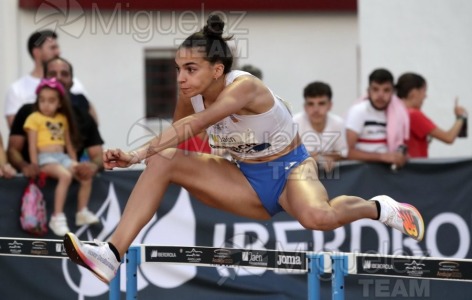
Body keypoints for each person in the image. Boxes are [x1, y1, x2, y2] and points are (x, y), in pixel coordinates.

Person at [63, 15, 424, 284]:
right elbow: (183, 136)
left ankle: (380, 208)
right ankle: (111, 254)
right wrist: (151, 157)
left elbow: (196, 126)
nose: (181, 78)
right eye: (177, 69)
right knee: (165, 158)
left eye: (190, 69)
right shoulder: (189, 96)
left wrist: (135, 153)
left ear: (218, 69)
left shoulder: (244, 89)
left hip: (290, 171)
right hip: (244, 179)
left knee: (320, 219)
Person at [8, 56, 105, 181]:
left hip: (72, 189)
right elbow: (12, 150)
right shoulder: (26, 111)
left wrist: (93, 166)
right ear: (43, 79)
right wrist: (25, 166)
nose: (58, 77)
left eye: (64, 74)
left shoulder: (83, 116)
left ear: (72, 82)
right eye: (52, 73)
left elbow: (98, 155)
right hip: (33, 186)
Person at [4, 30, 98, 128]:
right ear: (36, 52)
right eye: (53, 48)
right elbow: (15, 128)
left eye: (57, 47)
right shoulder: (17, 89)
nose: (58, 52)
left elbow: (92, 121)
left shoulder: (73, 82)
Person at [345, 69, 409, 169]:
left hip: (386, 175)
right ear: (368, 91)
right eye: (375, 89)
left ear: (393, 92)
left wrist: (399, 156)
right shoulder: (359, 111)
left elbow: (398, 146)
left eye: (386, 90)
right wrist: (381, 157)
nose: (380, 95)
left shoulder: (397, 114)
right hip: (361, 175)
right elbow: (346, 152)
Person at [396, 72, 468, 158]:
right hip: (416, 167)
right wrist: (461, 117)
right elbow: (448, 138)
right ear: (414, 93)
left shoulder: (397, 112)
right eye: (424, 91)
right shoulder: (413, 115)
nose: (425, 96)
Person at [293, 81, 347, 170]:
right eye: (311, 104)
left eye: (321, 103)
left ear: (330, 105)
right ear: (305, 107)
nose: (316, 110)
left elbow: (343, 153)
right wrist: (319, 158)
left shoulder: (338, 123)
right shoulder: (294, 123)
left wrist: (317, 157)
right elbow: (286, 156)